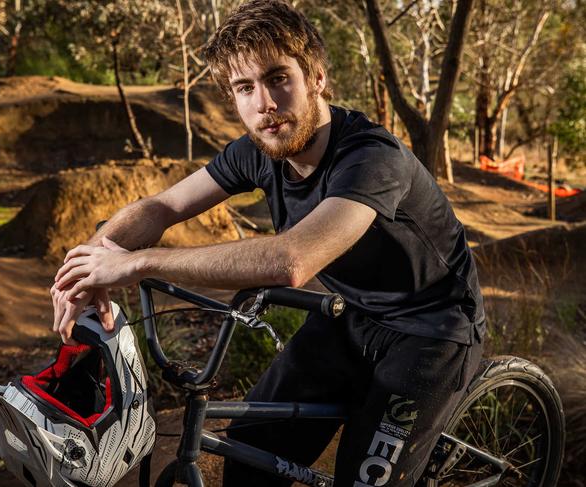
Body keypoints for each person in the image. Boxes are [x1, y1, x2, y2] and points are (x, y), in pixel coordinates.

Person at [51, 1, 485, 485]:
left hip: (433, 331)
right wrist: (87, 263)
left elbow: (292, 259)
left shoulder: (371, 158)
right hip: (357, 316)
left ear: (316, 77)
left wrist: (137, 264)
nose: (265, 103)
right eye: (245, 88)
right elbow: (163, 208)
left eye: (278, 78)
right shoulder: (258, 149)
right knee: (247, 457)